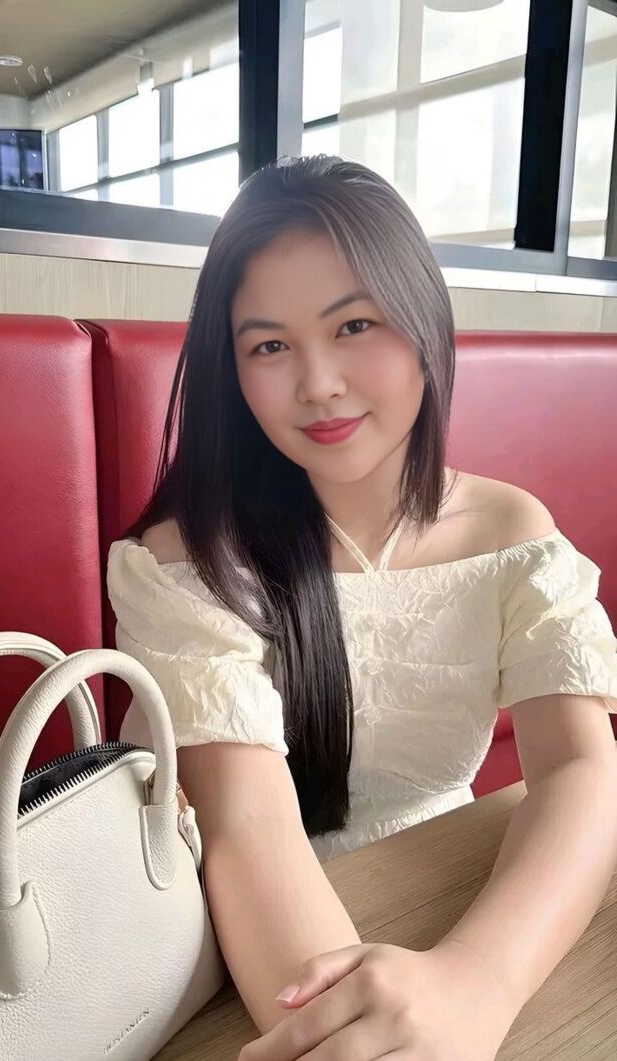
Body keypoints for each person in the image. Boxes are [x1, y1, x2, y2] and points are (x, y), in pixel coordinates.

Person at [106, 154, 617, 1059]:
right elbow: (246, 824)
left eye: (354, 324)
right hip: (254, 948)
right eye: (269, 345)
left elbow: (581, 767)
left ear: (423, 321)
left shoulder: (510, 531)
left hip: (452, 885)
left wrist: (478, 981)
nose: (318, 383)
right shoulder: (187, 559)